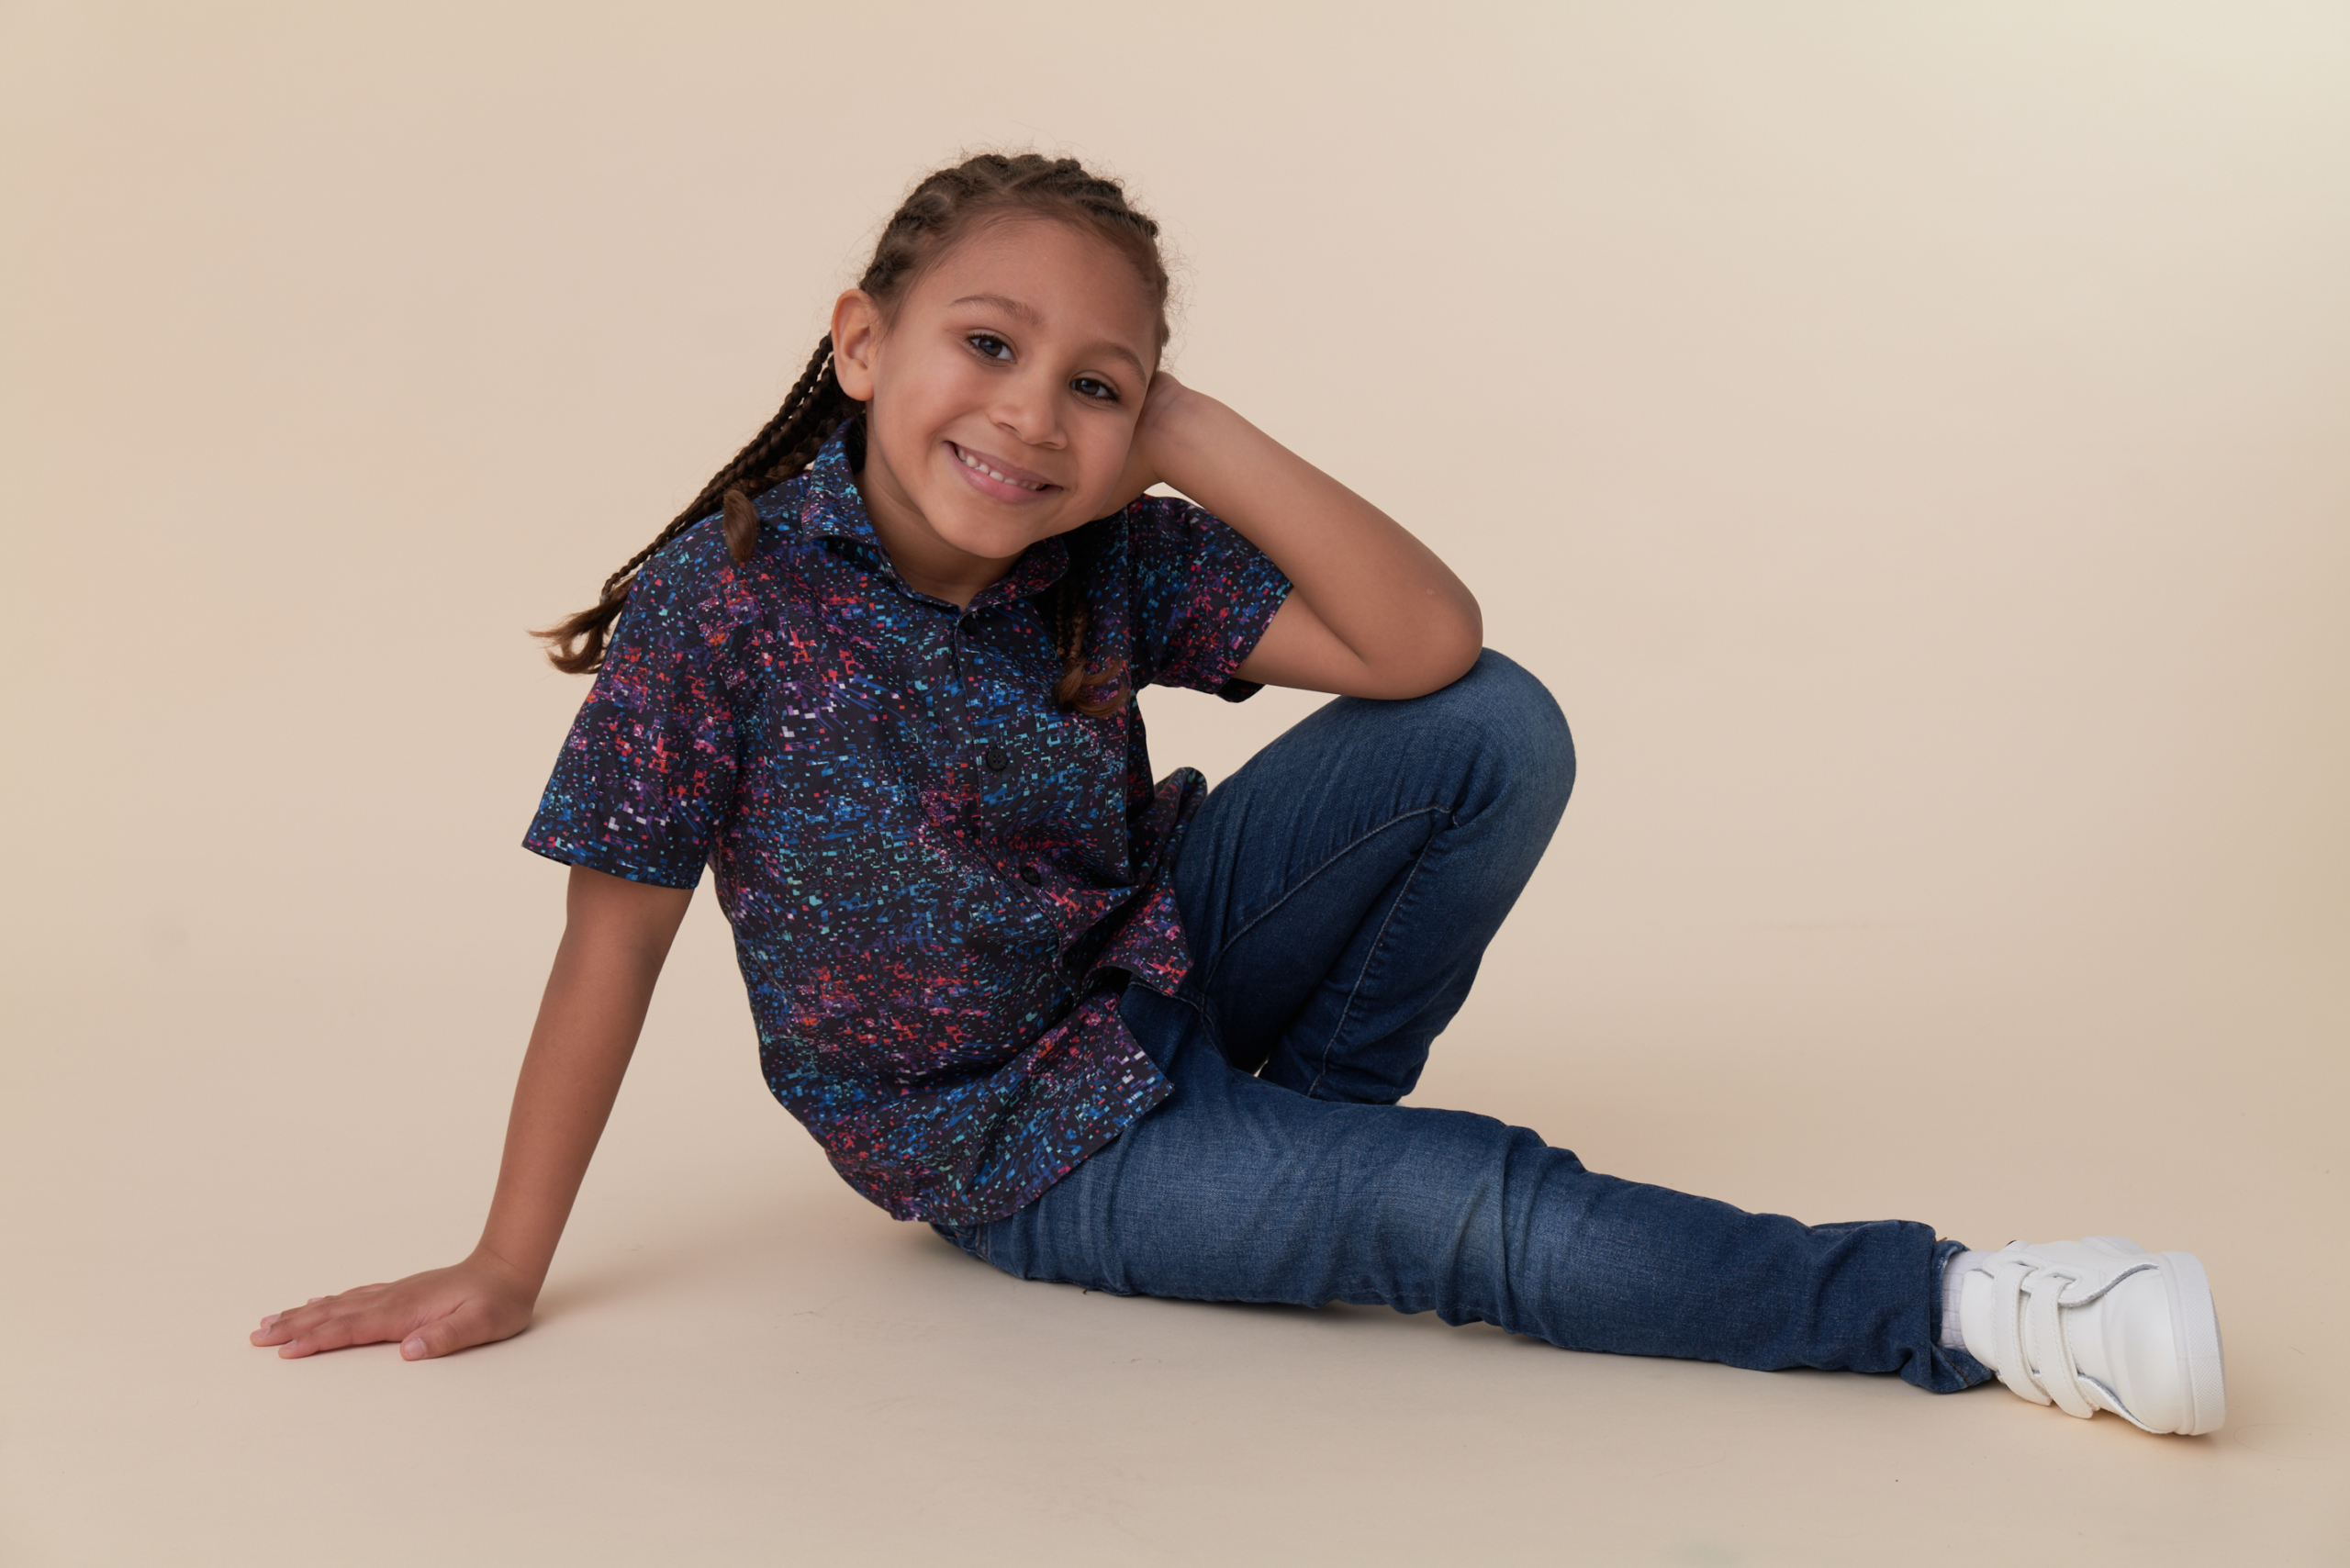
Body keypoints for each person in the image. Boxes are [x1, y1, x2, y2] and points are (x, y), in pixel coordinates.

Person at [250, 152, 2223, 1437]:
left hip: (1166, 964)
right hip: (1013, 1143)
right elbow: (608, 949)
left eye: (1093, 385)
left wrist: (1178, 428)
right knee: (1471, 1215)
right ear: (858, 342)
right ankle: (1964, 1305)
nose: (1028, 412)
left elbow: (1430, 647)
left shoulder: (1108, 539)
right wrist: (504, 1261)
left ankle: (1303, 1122)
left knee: (1494, 727)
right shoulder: (728, 605)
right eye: (988, 346)